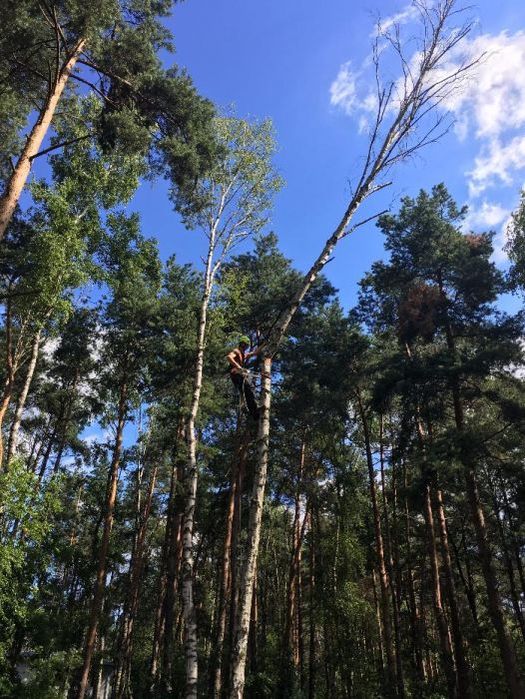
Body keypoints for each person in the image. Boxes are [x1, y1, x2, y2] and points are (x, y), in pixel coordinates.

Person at [227, 335, 260, 420]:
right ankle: (254, 411)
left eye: (246, 346)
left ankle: (255, 413)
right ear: (242, 345)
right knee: (249, 389)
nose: (245, 348)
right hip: (236, 374)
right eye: (245, 346)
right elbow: (229, 357)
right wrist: (238, 366)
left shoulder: (243, 355)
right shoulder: (236, 351)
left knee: (248, 392)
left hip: (237, 375)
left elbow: (254, 353)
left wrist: (264, 344)